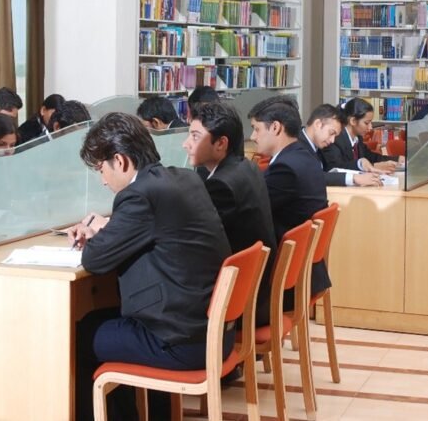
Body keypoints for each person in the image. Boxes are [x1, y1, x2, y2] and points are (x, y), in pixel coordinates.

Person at [69, 113, 231, 421]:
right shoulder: (183, 178)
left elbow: (94, 260)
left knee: (76, 336)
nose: (102, 180)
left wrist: (97, 233)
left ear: (121, 160)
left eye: (101, 169)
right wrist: (113, 228)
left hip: (178, 342)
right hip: (211, 333)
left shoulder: (138, 196)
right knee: (98, 321)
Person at [183, 101, 277, 326]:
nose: (185, 144)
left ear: (221, 144)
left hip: (241, 302)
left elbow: (198, 241)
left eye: (195, 136)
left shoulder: (222, 185)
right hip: (258, 289)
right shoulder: (247, 167)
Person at [248, 95, 329, 310]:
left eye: (256, 129)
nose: (252, 136)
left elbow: (254, 210)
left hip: (286, 281)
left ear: (275, 127)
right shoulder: (304, 157)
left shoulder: (285, 168)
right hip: (307, 270)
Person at [299, 104, 382, 187]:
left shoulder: (318, 145)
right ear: (318, 124)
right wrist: (353, 178)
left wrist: (359, 163)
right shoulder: (296, 145)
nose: (332, 140)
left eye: (335, 136)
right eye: (331, 133)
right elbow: (311, 176)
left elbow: (333, 168)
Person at [321, 98, 399, 175]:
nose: (370, 127)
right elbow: (335, 168)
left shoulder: (357, 138)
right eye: (366, 123)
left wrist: (397, 159)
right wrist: (372, 166)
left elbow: (371, 156)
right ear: (353, 121)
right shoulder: (335, 139)